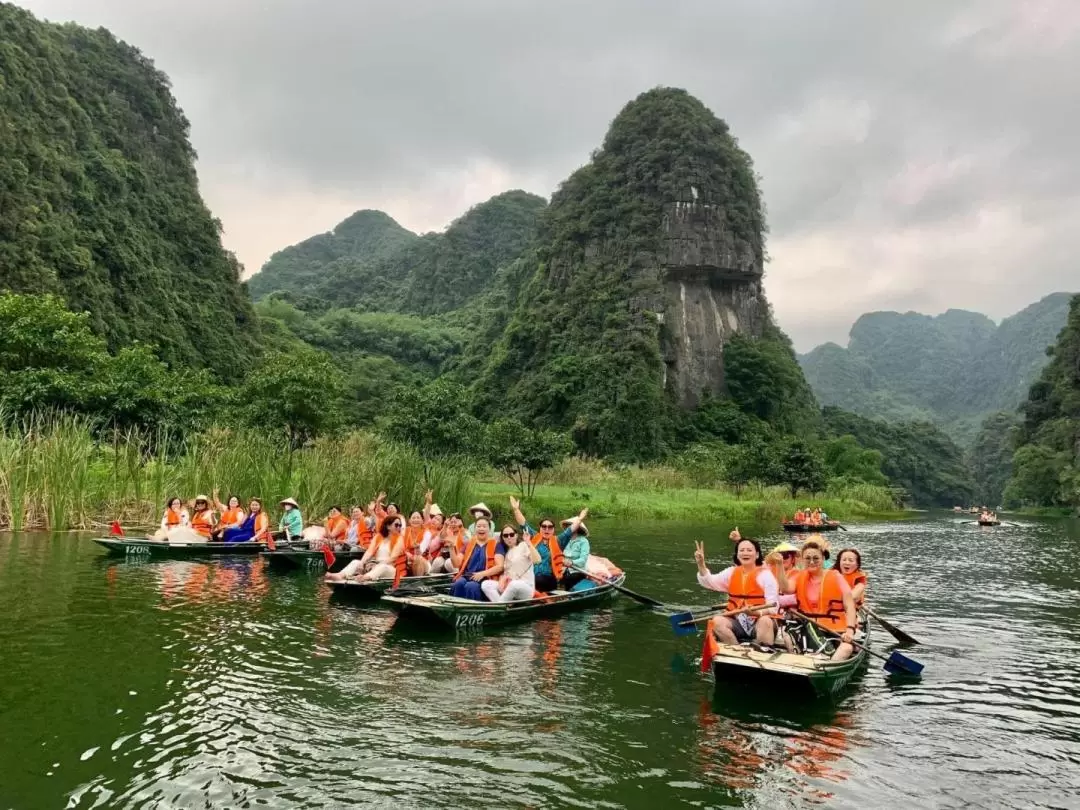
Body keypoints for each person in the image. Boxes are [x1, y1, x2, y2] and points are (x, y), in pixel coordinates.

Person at [776, 540, 858, 661]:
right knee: (787, 634)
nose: (812, 562)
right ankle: (798, 661)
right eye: (807, 558)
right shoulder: (800, 577)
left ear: (823, 558)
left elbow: (849, 606)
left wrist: (850, 631)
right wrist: (779, 565)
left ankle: (829, 667)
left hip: (834, 628)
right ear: (802, 560)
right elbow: (785, 588)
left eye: (816, 558)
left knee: (846, 648)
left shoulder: (836, 576)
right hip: (807, 626)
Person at [695, 538, 781, 649]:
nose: (745, 553)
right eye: (742, 550)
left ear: (757, 554)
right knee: (716, 621)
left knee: (765, 621)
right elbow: (710, 582)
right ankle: (737, 650)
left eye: (749, 550)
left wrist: (756, 613)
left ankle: (762, 651)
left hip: (760, 622)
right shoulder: (731, 572)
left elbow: (773, 607)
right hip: (737, 621)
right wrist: (701, 564)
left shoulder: (766, 576)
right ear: (737, 555)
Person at [326, 515, 404, 583]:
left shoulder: (400, 538)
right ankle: (340, 575)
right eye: (396, 525)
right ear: (388, 526)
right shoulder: (378, 537)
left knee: (383, 567)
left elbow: (393, 558)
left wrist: (378, 564)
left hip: (390, 569)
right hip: (375, 565)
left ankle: (365, 577)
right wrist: (362, 563)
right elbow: (369, 551)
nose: (399, 527)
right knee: (356, 562)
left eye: (400, 525)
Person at [447, 517, 505, 601]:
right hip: (467, 576)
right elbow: (456, 564)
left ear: (489, 529)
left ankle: (471, 610)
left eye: (484, 526)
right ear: (474, 529)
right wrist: (451, 548)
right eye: (479, 526)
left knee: (471, 586)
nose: (481, 528)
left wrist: (482, 574)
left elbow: (500, 567)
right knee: (458, 583)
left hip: (485, 578)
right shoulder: (468, 544)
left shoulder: (497, 544)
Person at [481, 525, 541, 602]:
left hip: (525, 587)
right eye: (505, 535)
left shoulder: (523, 545)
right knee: (486, 584)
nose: (509, 537)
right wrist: (502, 580)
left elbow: (537, 560)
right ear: (503, 538)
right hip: (509, 587)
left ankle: (500, 606)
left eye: (511, 534)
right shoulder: (506, 552)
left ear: (516, 535)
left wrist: (528, 542)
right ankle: (501, 604)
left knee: (514, 584)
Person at [559, 512, 591, 590]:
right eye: (568, 526)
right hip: (563, 569)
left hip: (577, 570)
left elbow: (583, 560)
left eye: (571, 525)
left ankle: (567, 593)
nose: (569, 527)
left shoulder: (584, 541)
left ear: (577, 528)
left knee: (569, 578)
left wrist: (571, 562)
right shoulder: (564, 540)